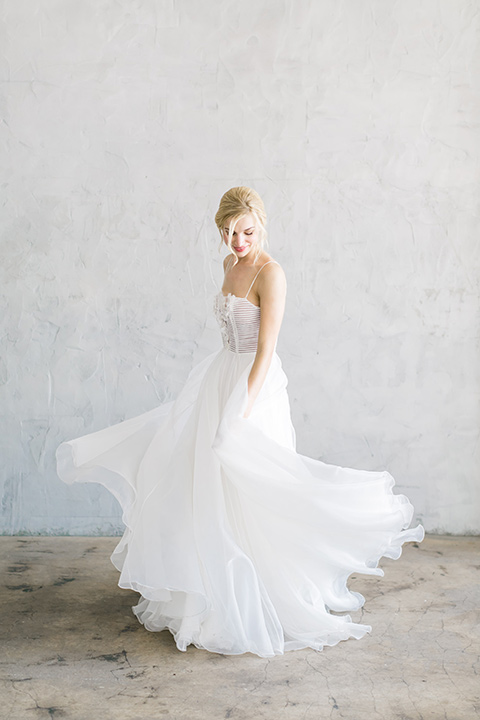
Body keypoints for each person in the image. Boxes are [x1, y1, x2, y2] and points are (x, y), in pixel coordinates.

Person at [56, 186, 425, 657]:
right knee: (203, 484)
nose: (237, 242)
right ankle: (207, 593)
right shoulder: (230, 265)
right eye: (229, 233)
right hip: (218, 376)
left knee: (252, 486)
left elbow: (266, 350)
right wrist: (222, 396)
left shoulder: (272, 274)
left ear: (261, 225)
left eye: (246, 232)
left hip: (254, 384)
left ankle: (263, 595)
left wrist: (242, 408)